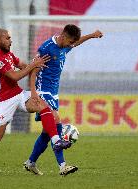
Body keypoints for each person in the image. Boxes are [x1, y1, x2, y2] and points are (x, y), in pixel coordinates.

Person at [0, 28, 71, 176]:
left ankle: (56, 140)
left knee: (42, 105)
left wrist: (37, 65)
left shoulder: (8, 54)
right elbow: (15, 76)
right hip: (3, 100)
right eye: (7, 38)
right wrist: (32, 66)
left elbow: (23, 65)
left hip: (18, 94)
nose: (11, 40)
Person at [24, 24, 103, 176]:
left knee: (47, 133)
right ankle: (62, 165)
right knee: (56, 119)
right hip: (43, 90)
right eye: (70, 42)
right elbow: (33, 70)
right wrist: (34, 94)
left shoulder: (65, 45)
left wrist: (92, 35)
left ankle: (31, 162)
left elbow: (76, 43)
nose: (71, 45)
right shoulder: (46, 48)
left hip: (54, 93)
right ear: (63, 36)